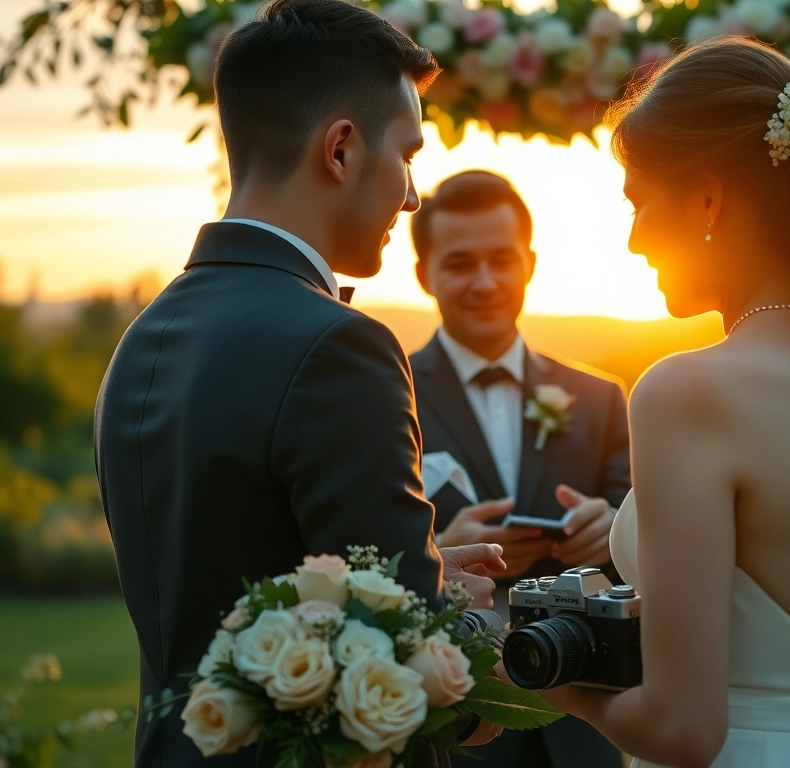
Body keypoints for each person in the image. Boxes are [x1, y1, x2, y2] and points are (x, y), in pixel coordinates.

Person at [523, 38, 790, 768]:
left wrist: (534, 668)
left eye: (638, 203)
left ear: (706, 198)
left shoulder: (688, 390)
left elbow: (683, 730)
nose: (631, 241)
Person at [93, 1, 504, 765]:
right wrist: (467, 629)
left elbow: (233, 567)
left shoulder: (140, 339)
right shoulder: (339, 347)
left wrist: (425, 556)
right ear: (341, 150)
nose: (413, 195)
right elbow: (425, 678)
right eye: (408, 155)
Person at [407, 170, 629, 768]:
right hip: (458, 719)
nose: (484, 282)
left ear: (528, 263)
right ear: (424, 273)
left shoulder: (601, 398)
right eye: (459, 263)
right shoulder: (384, 399)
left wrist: (612, 525)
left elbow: (654, 534)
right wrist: (437, 551)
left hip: (585, 713)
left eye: (501, 260)